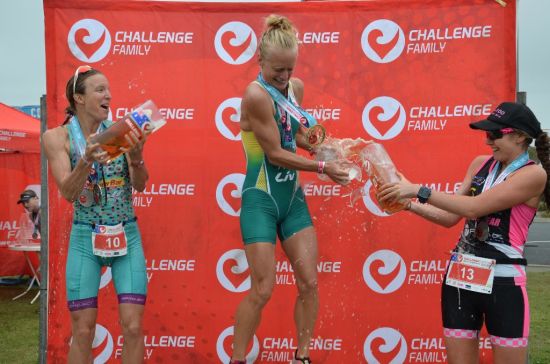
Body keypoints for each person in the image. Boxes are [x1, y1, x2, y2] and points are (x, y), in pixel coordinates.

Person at [378, 102, 549, 364]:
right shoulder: (480, 164)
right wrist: (407, 205)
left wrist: (418, 191)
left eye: (495, 135)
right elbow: (449, 218)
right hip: (459, 279)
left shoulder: (533, 174)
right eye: (486, 134)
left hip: (503, 282)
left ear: (520, 136)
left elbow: (473, 208)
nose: (488, 141)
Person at [230, 15, 351, 364]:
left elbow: (293, 135)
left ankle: (302, 356)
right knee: (263, 288)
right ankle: (237, 358)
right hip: (261, 199)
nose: (284, 78)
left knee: (310, 283)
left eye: (289, 69)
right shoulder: (255, 94)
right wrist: (323, 166)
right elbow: (275, 154)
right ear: (260, 60)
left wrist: (324, 148)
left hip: (292, 200)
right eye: (277, 71)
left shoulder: (294, 89)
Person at [43, 65, 150, 363]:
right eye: (100, 90)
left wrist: (138, 157)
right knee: (83, 330)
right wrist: (86, 161)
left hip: (125, 235)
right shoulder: (56, 137)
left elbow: (140, 186)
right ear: (79, 98)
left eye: (109, 90)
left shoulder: (121, 132)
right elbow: (68, 192)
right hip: (84, 239)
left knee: (132, 326)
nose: (109, 96)